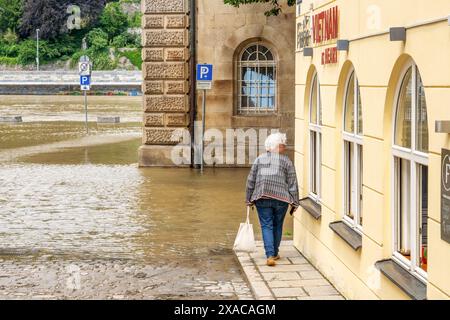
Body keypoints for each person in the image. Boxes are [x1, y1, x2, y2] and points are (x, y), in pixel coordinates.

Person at [246, 132, 300, 267]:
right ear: (278, 147)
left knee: (266, 225)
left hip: (262, 197)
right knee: (277, 225)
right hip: (281, 199)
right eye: (283, 146)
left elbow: (250, 180)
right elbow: (293, 183)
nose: (284, 148)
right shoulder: (287, 161)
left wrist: (248, 199)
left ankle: (270, 255)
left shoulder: (259, 159)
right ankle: (274, 253)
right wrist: (295, 202)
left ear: (268, 146)